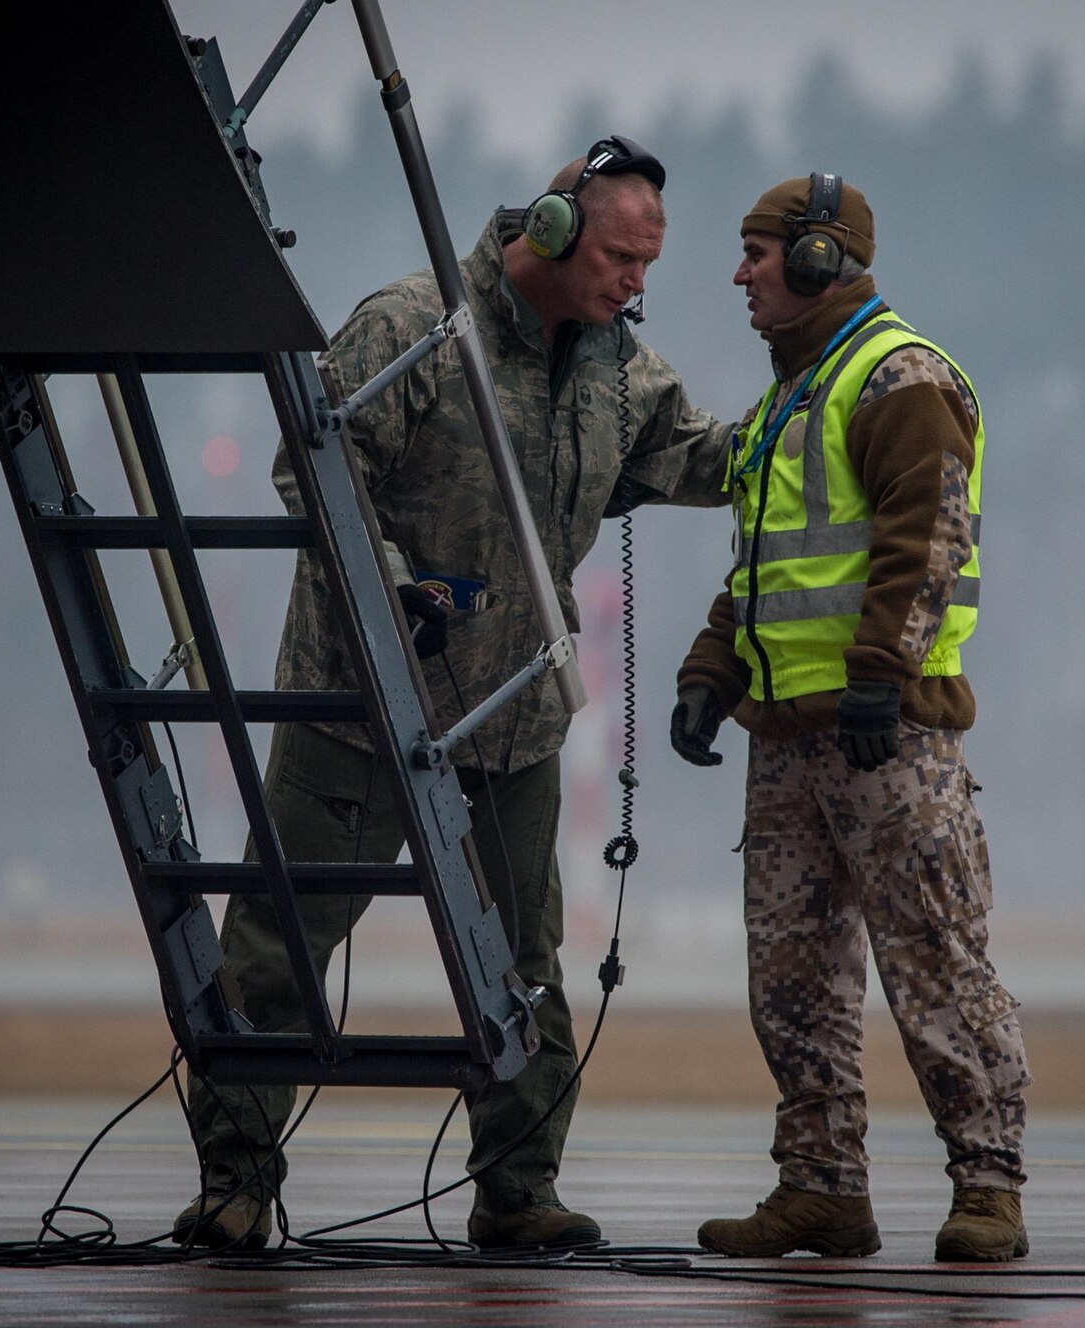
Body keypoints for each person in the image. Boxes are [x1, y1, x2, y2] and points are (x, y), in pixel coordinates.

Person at [177, 137, 736, 1251]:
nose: (635, 283)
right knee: (277, 950)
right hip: (361, 708)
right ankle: (235, 1184)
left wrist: (834, 420)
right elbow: (315, 465)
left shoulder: (622, 374)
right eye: (621, 256)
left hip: (515, 721)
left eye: (648, 264)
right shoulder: (415, 324)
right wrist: (393, 596)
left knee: (523, 968)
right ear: (554, 227)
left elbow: (709, 457)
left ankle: (517, 1192)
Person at [671, 174, 1030, 1262]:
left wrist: (881, 666)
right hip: (784, 743)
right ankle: (821, 1186)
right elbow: (766, 572)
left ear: (821, 259)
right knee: (789, 977)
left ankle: (987, 1185)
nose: (739, 273)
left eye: (758, 252)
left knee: (935, 962)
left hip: (888, 735)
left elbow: (928, 538)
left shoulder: (898, 378)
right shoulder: (788, 402)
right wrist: (709, 671)